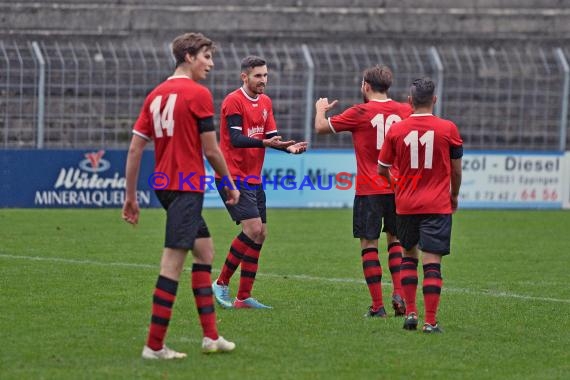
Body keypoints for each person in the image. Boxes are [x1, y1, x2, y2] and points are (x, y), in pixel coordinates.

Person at [122, 32, 240, 359]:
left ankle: (211, 337)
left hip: (165, 184)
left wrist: (130, 196)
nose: (211, 64)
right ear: (188, 56)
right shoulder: (197, 94)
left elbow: (135, 149)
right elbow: (212, 149)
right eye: (206, 56)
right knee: (172, 264)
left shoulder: (155, 94)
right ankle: (154, 345)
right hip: (186, 187)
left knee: (204, 251)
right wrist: (228, 181)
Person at [314, 65, 412, 318]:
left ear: (366, 86)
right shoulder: (405, 110)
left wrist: (320, 110)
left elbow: (321, 128)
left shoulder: (359, 112)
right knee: (396, 241)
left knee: (369, 244)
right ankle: (399, 292)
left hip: (369, 189)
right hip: (398, 187)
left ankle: (377, 306)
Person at [211, 55, 308, 309]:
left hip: (253, 177)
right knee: (252, 229)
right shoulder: (234, 101)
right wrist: (264, 142)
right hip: (231, 176)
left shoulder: (265, 101)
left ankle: (243, 297)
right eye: (258, 76)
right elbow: (235, 139)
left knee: (261, 234)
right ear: (245, 77)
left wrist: (290, 149)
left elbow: (272, 137)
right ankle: (220, 283)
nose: (263, 80)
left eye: (265, 75)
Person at [377, 77, 463, 333]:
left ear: (410, 101)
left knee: (408, 256)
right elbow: (456, 172)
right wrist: (454, 195)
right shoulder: (448, 129)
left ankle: (411, 313)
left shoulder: (397, 130)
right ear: (434, 100)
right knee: (432, 261)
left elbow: (382, 169)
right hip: (437, 204)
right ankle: (431, 321)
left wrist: (397, 186)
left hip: (405, 205)